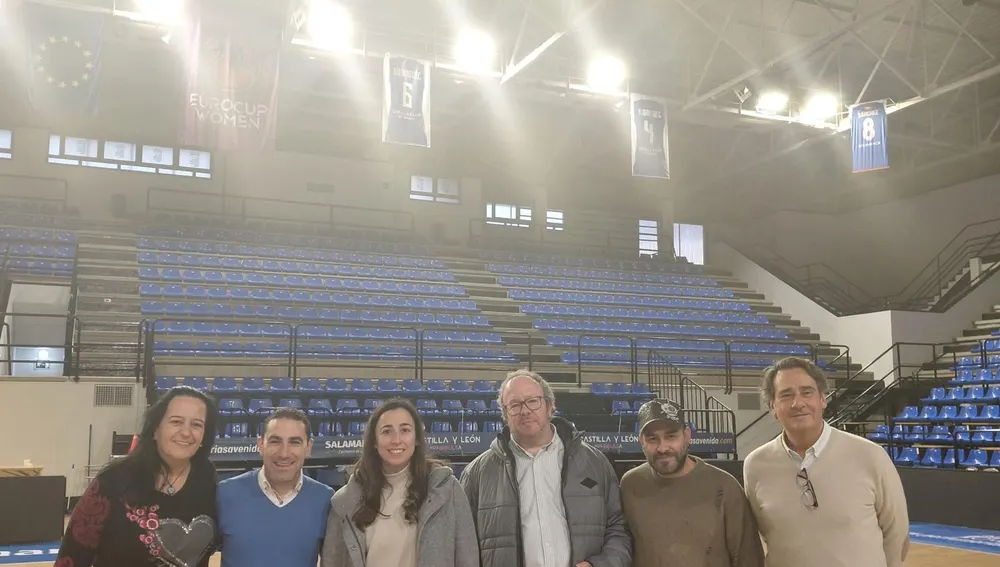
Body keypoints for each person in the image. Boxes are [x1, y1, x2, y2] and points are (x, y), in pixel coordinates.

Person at [743, 357, 909, 567]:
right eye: (786, 395)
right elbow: (766, 533)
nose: (798, 403)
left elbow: (896, 534)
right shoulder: (756, 465)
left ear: (823, 399)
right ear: (772, 407)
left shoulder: (870, 456)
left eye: (807, 392)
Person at [460, 369, 632, 567]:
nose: (525, 411)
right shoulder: (476, 474)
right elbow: (463, 544)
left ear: (550, 406)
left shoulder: (595, 462)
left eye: (533, 401)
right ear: (505, 415)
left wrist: (600, 565)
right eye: (514, 405)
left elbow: (619, 529)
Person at [56, 385, 220, 567]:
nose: (186, 432)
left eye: (196, 425)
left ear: (205, 436)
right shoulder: (113, 480)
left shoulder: (207, 478)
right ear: (156, 430)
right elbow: (72, 557)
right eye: (176, 421)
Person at [321, 398, 479, 567]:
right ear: (374, 441)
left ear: (417, 438)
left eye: (405, 430)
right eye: (387, 431)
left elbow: (467, 557)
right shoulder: (344, 501)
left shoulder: (448, 490)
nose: (396, 440)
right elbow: (332, 561)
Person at [621, 398, 764, 567]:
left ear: (687, 435)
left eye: (671, 436)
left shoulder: (724, 487)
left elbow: (748, 558)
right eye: (652, 439)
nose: (663, 447)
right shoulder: (631, 485)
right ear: (641, 441)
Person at [217, 407, 333, 567]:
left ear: (308, 448)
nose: (284, 453)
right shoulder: (225, 494)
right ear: (260, 445)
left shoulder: (325, 499)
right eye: (275, 441)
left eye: (295, 442)